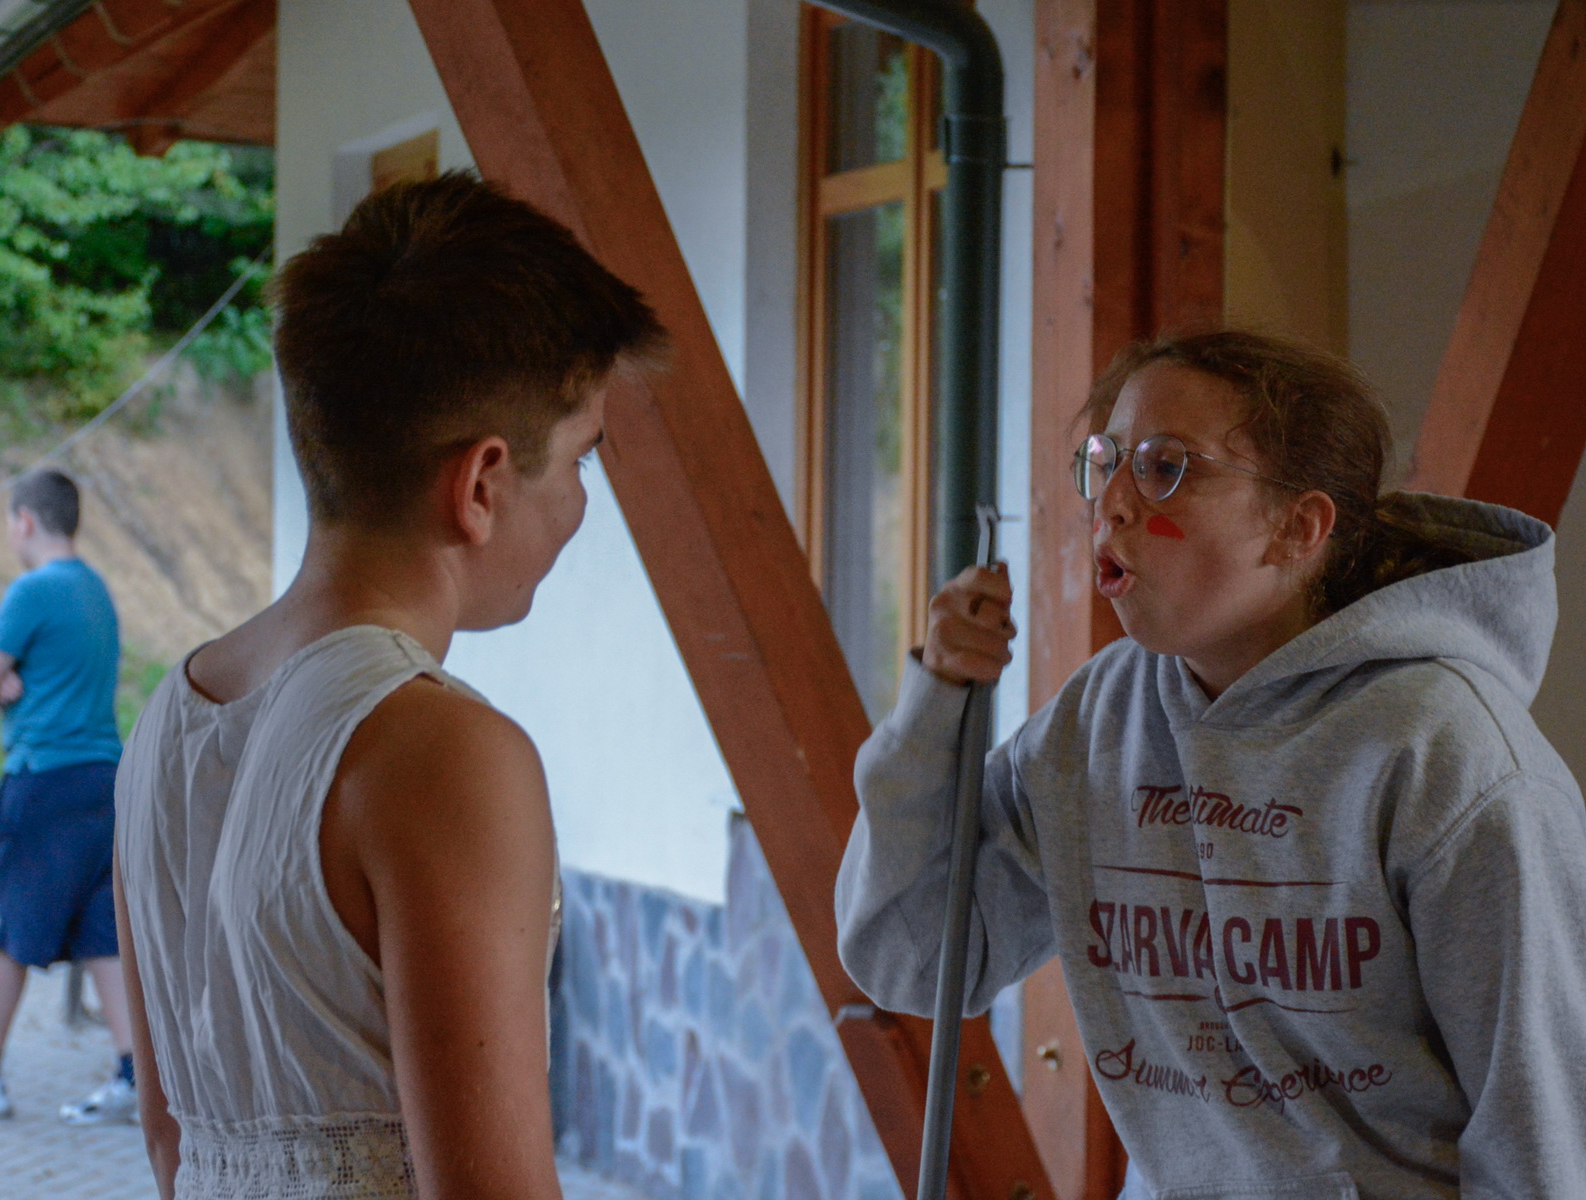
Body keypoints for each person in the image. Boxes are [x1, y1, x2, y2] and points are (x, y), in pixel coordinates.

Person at [836, 330, 1586, 1198]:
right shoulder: (1098, 719)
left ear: (1298, 528)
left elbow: (1544, 1143)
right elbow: (914, 956)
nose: (1112, 503)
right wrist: (935, 705)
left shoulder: (1448, 759)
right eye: (1104, 461)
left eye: (1165, 467)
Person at [113, 172, 666, 1200]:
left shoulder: (168, 721)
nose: (581, 504)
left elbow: (168, 1144)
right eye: (581, 461)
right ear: (481, 484)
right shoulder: (443, 752)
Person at [0, 467, 136, 1125]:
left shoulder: (34, 590)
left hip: (43, 780)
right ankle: (136, 1080)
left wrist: (2, 684)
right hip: (104, 783)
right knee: (102, 933)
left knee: (4, 924)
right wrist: (15, 679)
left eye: (11, 523)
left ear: (26, 521)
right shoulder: (96, 590)